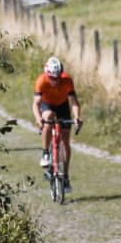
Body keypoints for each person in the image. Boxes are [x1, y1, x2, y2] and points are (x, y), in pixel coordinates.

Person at [33, 55, 81, 191]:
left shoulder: (67, 80)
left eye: (58, 78)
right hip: (46, 105)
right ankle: (45, 153)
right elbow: (36, 104)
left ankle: (65, 176)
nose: (55, 81)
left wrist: (77, 116)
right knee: (48, 118)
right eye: (52, 78)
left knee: (65, 141)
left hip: (62, 105)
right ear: (47, 74)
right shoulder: (41, 81)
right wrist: (38, 118)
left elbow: (74, 102)